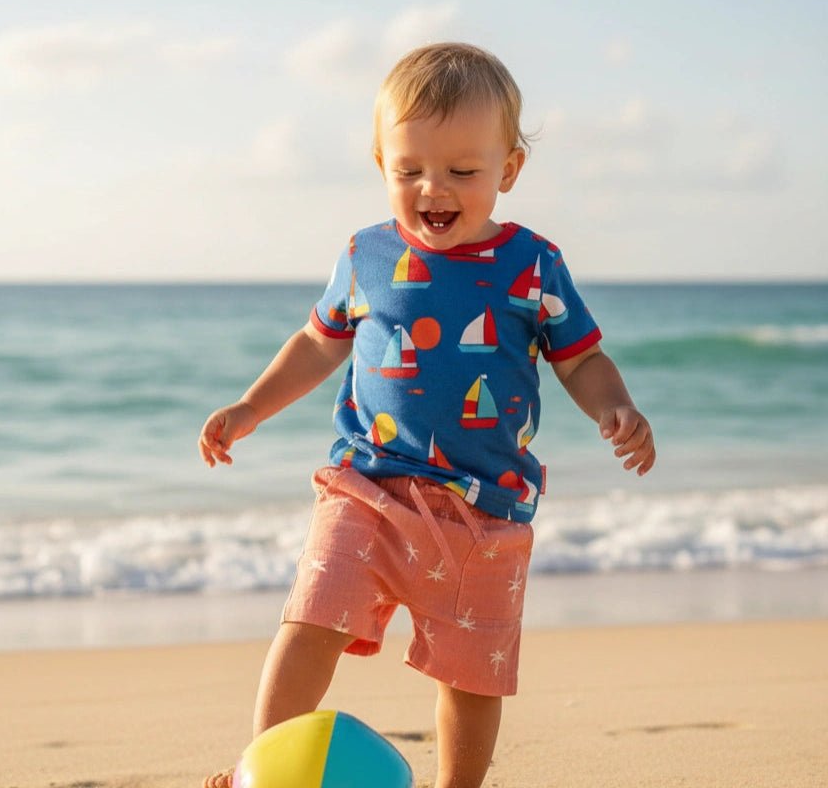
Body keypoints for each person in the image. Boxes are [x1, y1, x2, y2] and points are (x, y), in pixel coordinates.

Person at [198, 42, 655, 788]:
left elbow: (580, 359)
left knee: (473, 676)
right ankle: (266, 766)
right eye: (408, 170)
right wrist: (252, 406)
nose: (432, 189)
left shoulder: (533, 266)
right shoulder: (366, 254)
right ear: (382, 165)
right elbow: (318, 344)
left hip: (484, 509)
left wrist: (618, 408)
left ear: (508, 170)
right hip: (367, 485)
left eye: (462, 171)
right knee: (312, 616)